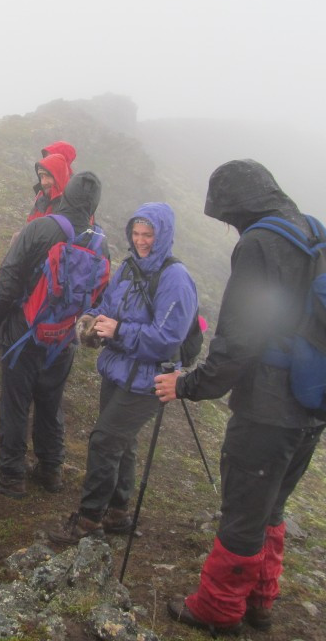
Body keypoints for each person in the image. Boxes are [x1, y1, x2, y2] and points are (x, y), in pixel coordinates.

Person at [154, 159, 326, 635]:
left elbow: (237, 339)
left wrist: (190, 384)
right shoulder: (313, 232)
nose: (229, 226)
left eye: (228, 216)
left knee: (243, 511)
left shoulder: (259, 243)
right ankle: (259, 601)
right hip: (312, 404)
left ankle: (218, 608)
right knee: (271, 507)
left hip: (268, 408)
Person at [49, 202, 198, 543]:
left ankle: (88, 521)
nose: (141, 240)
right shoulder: (130, 267)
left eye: (149, 234)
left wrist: (118, 332)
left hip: (149, 381)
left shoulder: (176, 279)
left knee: (104, 441)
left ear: (163, 236)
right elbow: (109, 305)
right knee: (122, 442)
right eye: (136, 233)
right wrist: (92, 319)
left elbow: (167, 340)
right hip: (118, 370)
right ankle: (117, 512)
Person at [0, 173, 108, 498]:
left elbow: (7, 281)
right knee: (50, 404)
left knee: (15, 403)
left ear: (67, 195)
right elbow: (97, 295)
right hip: (64, 338)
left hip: (24, 333)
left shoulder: (41, 228)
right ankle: (51, 469)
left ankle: (11, 474)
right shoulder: (99, 241)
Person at [27, 141, 76, 221]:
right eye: (45, 157)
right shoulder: (45, 190)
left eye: (52, 157)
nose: (47, 160)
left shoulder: (73, 194)